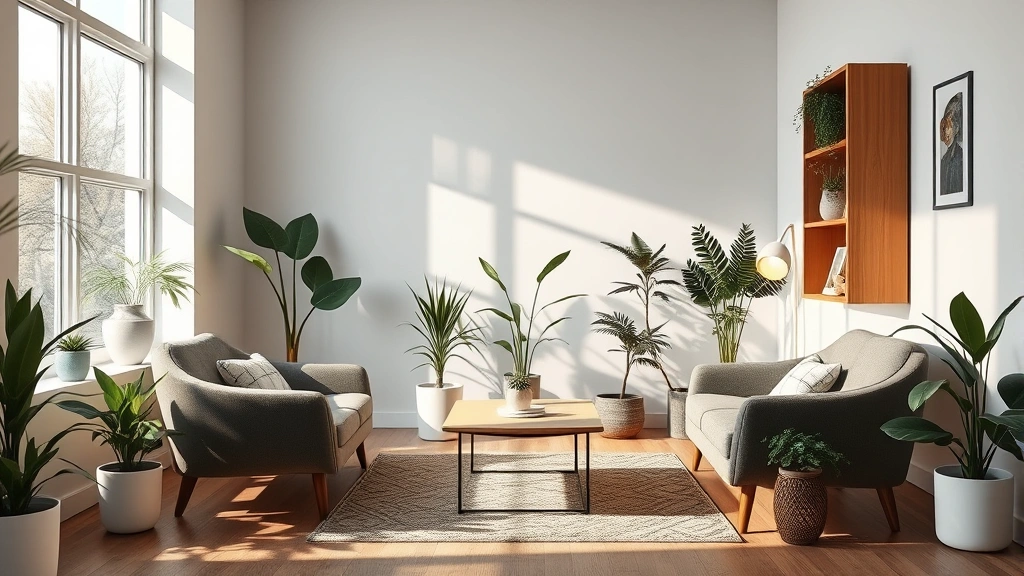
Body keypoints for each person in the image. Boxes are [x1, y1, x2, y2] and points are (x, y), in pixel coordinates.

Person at [939, 93, 964, 195]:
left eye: (949, 127)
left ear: (957, 128)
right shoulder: (945, 158)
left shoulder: (959, 156)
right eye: (944, 127)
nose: (945, 132)